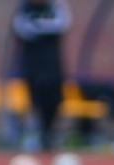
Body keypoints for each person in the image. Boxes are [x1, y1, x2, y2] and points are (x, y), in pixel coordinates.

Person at [11, 0, 71, 152]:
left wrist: (39, 27)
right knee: (34, 100)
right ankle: (35, 134)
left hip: (52, 64)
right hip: (32, 64)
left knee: (54, 99)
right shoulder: (24, 8)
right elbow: (22, 29)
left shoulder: (56, 6)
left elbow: (63, 24)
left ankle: (49, 133)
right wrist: (44, 28)